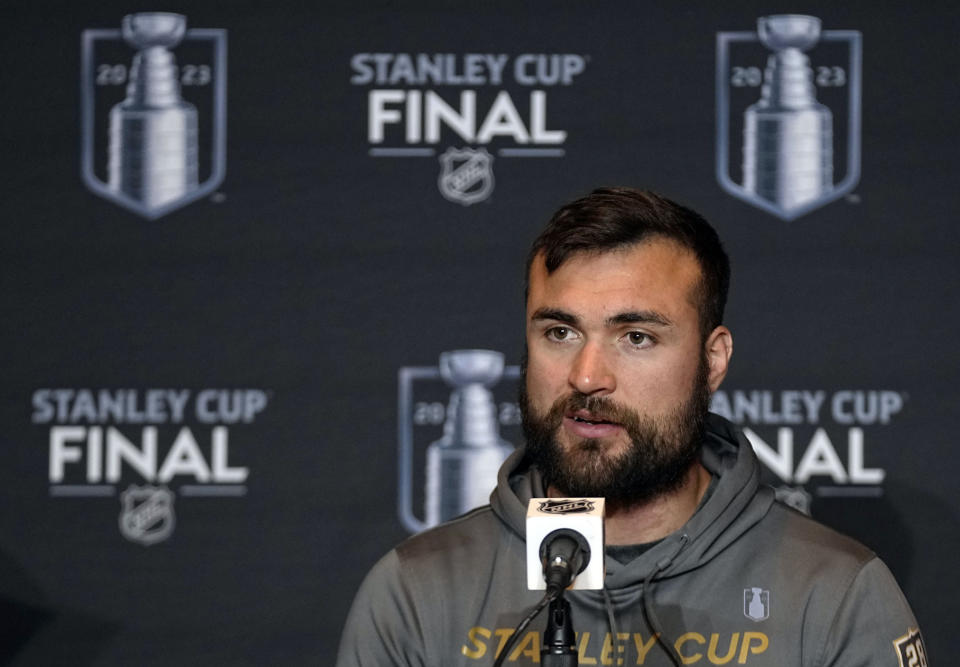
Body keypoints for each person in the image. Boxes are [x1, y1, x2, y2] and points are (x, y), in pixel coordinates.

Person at [336, 188, 927, 666]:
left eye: (636, 337)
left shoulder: (836, 595)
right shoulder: (416, 594)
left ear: (713, 360)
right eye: (559, 333)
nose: (588, 376)